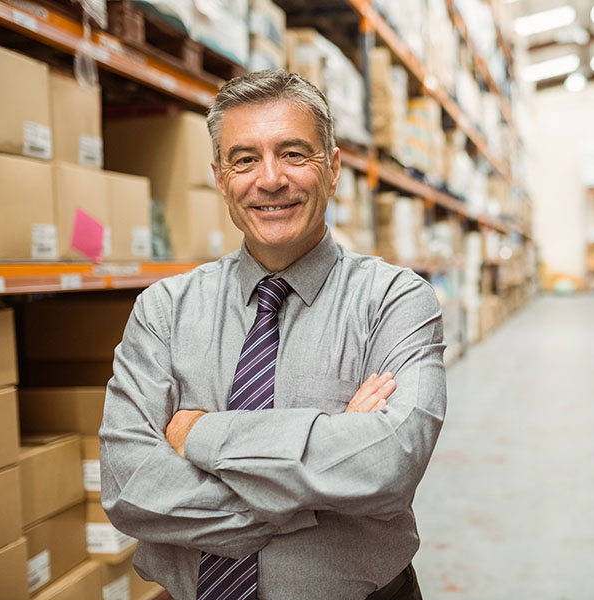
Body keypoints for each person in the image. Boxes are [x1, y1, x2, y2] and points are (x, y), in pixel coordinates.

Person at [99, 70, 446, 600]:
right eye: (244, 159)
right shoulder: (163, 311)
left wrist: (196, 436)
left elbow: (388, 463)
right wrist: (323, 472)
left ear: (332, 168)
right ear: (219, 176)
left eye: (293, 154)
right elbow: (129, 489)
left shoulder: (395, 299)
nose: (270, 179)